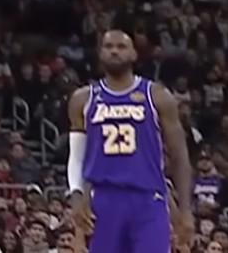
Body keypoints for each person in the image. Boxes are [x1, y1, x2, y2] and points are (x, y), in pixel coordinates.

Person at [66, 30, 193, 253]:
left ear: (134, 54)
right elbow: (77, 157)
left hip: (148, 197)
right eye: (108, 46)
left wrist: (185, 210)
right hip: (103, 198)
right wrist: (76, 195)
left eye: (121, 46)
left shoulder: (157, 96)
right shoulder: (83, 99)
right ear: (100, 53)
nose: (114, 51)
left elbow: (180, 156)